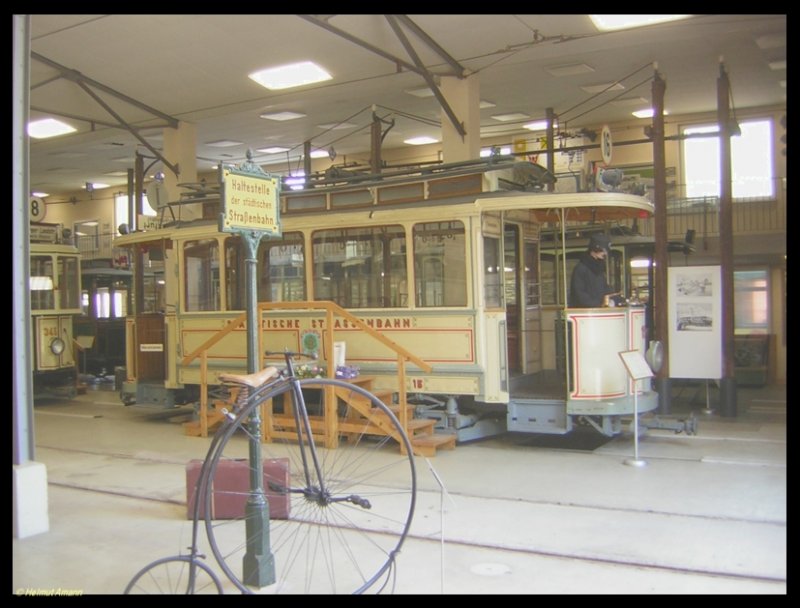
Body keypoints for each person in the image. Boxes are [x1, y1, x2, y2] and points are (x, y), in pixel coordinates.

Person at [569, 233, 618, 307]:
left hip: (597, 310)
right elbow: (579, 293)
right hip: (584, 312)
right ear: (595, 249)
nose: (605, 253)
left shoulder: (598, 267)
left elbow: (604, 288)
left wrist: (614, 295)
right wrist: (597, 304)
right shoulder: (580, 269)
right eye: (603, 250)